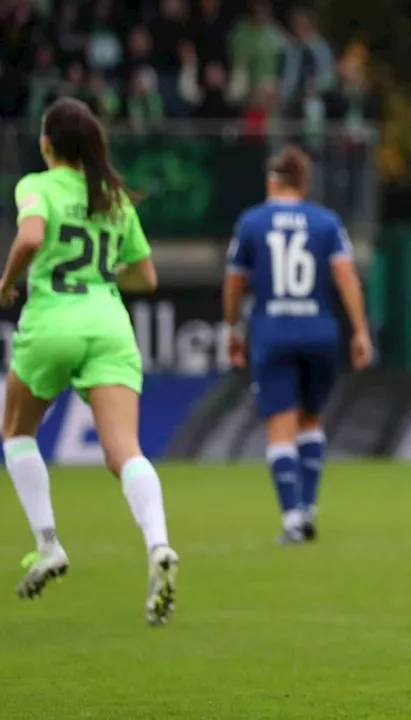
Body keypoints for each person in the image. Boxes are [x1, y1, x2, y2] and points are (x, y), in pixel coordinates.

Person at [1, 97, 179, 626]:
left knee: (16, 432)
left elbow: (31, 236)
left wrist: (8, 282)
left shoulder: (38, 185)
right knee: (125, 450)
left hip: (53, 322)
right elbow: (145, 277)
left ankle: (49, 543)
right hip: (108, 325)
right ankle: (159, 546)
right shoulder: (114, 198)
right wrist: (101, 279)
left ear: (47, 144)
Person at [222, 145, 372, 544]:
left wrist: (232, 328)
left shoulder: (251, 222)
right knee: (310, 420)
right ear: (304, 184)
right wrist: (360, 330)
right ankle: (308, 508)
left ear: (272, 181)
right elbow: (346, 278)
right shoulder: (326, 222)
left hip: (273, 332)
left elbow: (235, 282)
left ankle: (291, 517)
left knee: (281, 425)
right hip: (319, 331)